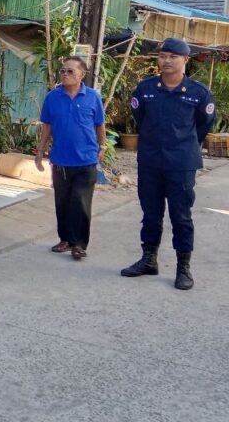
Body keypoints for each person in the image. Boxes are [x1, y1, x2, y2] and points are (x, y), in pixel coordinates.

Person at [121, 38, 215, 290]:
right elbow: (140, 117)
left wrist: (184, 145)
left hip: (181, 163)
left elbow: (204, 125)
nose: (167, 61)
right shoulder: (145, 89)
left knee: (181, 215)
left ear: (186, 60)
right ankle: (149, 260)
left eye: (173, 56)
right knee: (151, 213)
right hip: (151, 160)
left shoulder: (199, 93)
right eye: (163, 56)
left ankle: (183, 267)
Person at [34, 56, 106, 261]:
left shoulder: (92, 97)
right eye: (63, 71)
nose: (65, 74)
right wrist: (40, 151)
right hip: (61, 161)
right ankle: (65, 239)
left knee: (80, 203)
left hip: (86, 160)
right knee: (63, 202)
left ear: (82, 74)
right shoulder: (52, 97)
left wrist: (102, 146)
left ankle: (79, 244)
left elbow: (99, 125)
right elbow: (47, 127)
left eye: (70, 71)